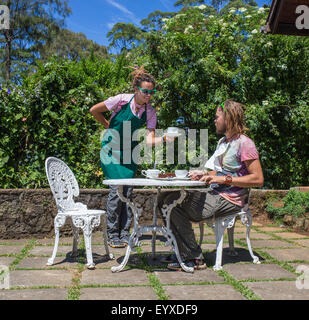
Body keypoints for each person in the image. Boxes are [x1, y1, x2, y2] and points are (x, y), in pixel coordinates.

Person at [158, 100, 264, 271]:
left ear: (228, 118)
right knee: (164, 198)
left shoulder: (245, 143)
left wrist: (224, 180)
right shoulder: (223, 142)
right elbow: (221, 172)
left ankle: (194, 257)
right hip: (215, 193)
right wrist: (206, 174)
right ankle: (181, 250)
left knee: (174, 205)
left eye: (217, 117)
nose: (215, 120)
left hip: (231, 199)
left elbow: (258, 179)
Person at [90, 66, 169, 248]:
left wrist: (165, 138)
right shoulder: (121, 101)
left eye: (151, 92)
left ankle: (124, 233)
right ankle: (112, 234)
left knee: (128, 192)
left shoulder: (150, 112)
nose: (148, 95)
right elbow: (94, 110)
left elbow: (149, 141)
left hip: (129, 152)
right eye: (145, 91)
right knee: (116, 191)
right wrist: (108, 125)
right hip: (111, 149)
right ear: (136, 90)